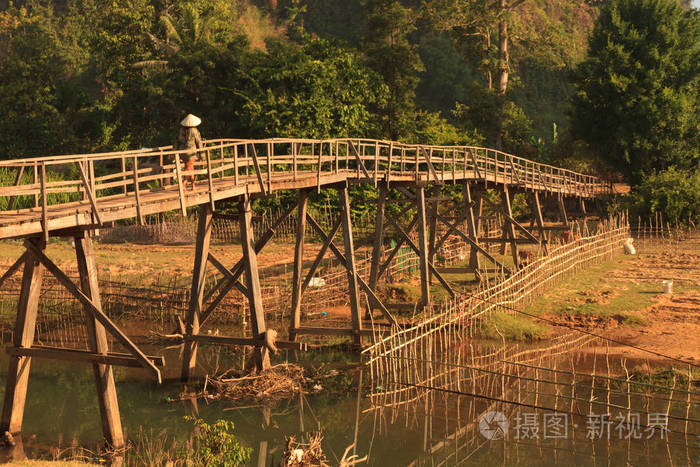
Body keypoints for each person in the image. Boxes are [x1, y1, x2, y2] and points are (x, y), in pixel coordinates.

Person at [174, 114, 203, 190]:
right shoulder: (194, 130)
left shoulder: (181, 130)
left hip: (182, 152)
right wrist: (202, 154)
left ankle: (193, 185)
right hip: (191, 153)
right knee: (189, 168)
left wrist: (174, 151)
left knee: (190, 168)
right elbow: (199, 142)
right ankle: (183, 184)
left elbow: (177, 141)